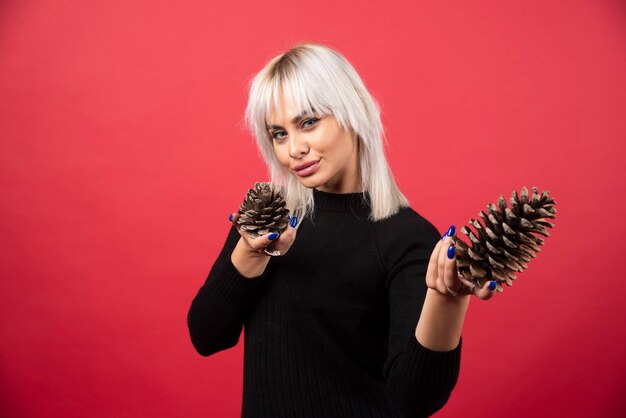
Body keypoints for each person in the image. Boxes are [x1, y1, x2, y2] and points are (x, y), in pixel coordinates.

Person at [187, 42, 497, 418]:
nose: (294, 149)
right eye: (278, 134)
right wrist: (249, 252)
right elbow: (206, 336)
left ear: (352, 114)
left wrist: (448, 300)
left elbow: (415, 399)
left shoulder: (406, 239)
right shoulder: (268, 219)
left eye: (308, 122)